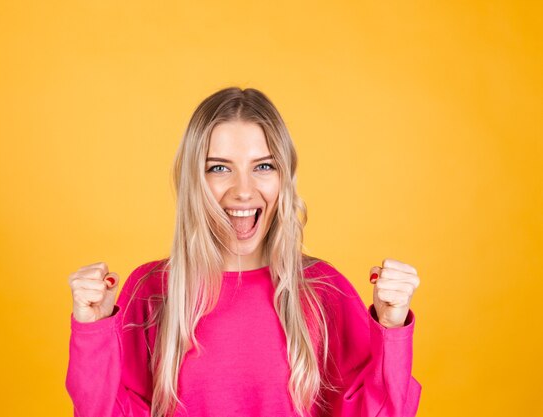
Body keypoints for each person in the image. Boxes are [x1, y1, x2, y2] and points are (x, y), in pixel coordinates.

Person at [65, 87, 422, 417]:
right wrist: (93, 331)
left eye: (263, 166)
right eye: (219, 168)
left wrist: (391, 328)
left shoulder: (324, 290)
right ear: (194, 180)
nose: (243, 190)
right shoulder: (152, 290)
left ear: (284, 177)